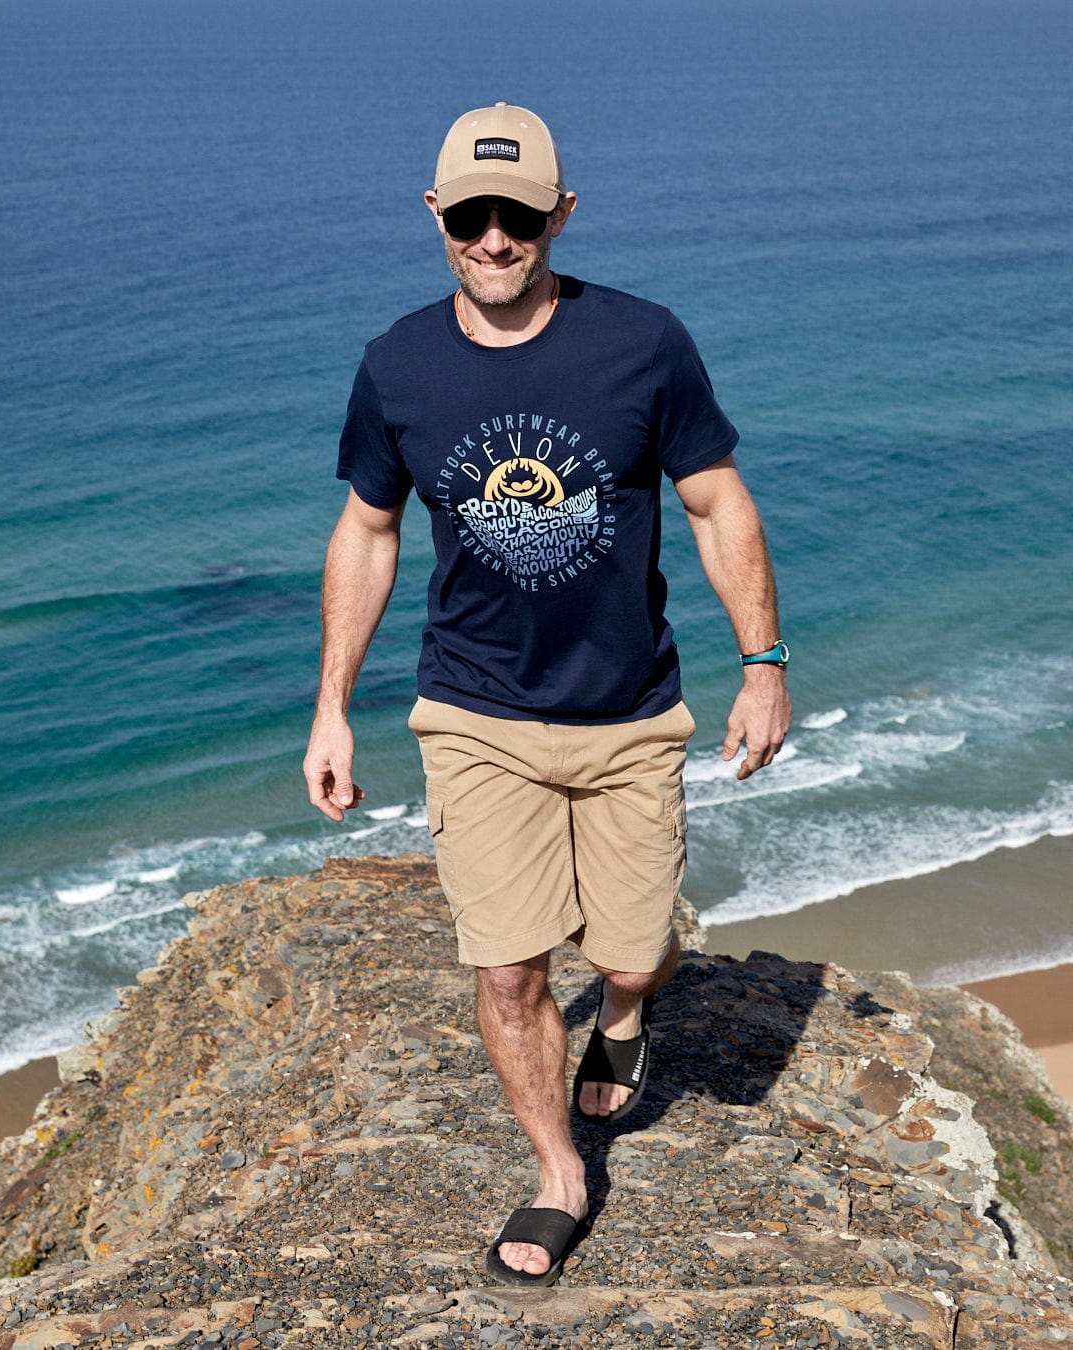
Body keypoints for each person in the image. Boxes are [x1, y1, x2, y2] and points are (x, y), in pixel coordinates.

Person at [303, 101, 792, 1287]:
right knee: (510, 968)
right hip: (474, 716)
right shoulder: (398, 365)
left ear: (559, 215)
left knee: (634, 954)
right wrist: (331, 703)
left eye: (517, 215)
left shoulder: (645, 343)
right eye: (468, 213)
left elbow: (716, 501)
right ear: (436, 213)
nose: (492, 237)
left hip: (629, 716)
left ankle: (625, 1014)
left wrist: (764, 665)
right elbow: (367, 531)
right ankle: (558, 1174)